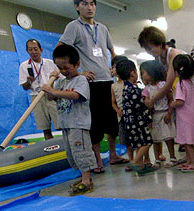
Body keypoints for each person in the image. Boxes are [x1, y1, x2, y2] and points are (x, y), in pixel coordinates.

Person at [57, 0, 124, 173]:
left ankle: (113, 154)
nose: (90, 7)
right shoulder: (73, 27)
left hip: (106, 80)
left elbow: (111, 49)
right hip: (90, 83)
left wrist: (115, 66)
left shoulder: (102, 28)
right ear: (77, 6)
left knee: (111, 122)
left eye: (93, 4)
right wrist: (78, 73)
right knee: (94, 123)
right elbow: (60, 51)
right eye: (85, 4)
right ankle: (97, 161)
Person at [138, 26, 194, 159]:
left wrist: (153, 100)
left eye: (150, 48)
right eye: (146, 49)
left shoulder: (173, 54)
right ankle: (192, 151)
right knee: (186, 119)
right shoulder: (159, 59)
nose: (149, 52)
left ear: (160, 44)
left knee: (192, 119)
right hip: (185, 85)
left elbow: (168, 83)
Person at [41, 44, 95, 196]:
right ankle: (83, 178)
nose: (64, 71)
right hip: (66, 124)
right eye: (60, 68)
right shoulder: (61, 82)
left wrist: (55, 91)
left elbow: (76, 95)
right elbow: (52, 96)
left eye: (66, 67)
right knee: (71, 153)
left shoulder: (81, 80)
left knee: (81, 151)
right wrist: (49, 86)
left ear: (77, 64)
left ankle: (87, 180)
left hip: (78, 124)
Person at [116, 59, 155, 174]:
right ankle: (135, 162)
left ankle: (141, 166)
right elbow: (142, 107)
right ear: (133, 73)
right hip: (139, 123)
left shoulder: (125, 89)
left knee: (139, 144)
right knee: (146, 142)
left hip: (130, 123)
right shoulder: (135, 90)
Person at [18, 39, 60, 140]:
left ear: (41, 50)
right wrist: (29, 82)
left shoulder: (50, 63)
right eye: (30, 49)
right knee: (45, 128)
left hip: (52, 95)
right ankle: (50, 148)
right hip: (36, 97)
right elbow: (25, 87)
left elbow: (61, 77)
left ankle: (65, 147)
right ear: (27, 51)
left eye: (35, 49)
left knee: (60, 124)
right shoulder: (24, 66)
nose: (33, 52)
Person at [140, 60, 178, 168]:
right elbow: (147, 103)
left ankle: (172, 157)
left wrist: (169, 113)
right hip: (154, 115)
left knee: (168, 137)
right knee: (155, 138)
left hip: (165, 113)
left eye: (144, 72)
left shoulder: (163, 85)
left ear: (153, 72)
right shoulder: (146, 89)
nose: (143, 75)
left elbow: (171, 99)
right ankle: (157, 159)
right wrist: (147, 104)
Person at [169, 55, 194, 172]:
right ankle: (189, 161)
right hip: (193, 117)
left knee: (188, 143)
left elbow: (180, 101)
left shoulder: (180, 84)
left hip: (185, 118)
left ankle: (193, 163)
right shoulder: (190, 82)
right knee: (189, 142)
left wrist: (171, 104)